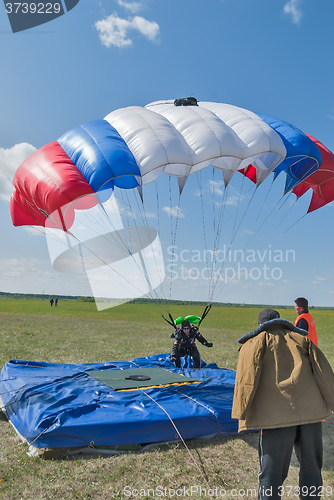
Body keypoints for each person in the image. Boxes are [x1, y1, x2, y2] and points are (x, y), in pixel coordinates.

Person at [232, 308, 334, 500]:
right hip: (310, 415)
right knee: (312, 470)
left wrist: (241, 414)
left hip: (276, 419)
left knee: (271, 475)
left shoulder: (254, 343)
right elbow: (325, 373)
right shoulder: (303, 340)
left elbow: (246, 380)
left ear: (259, 325)